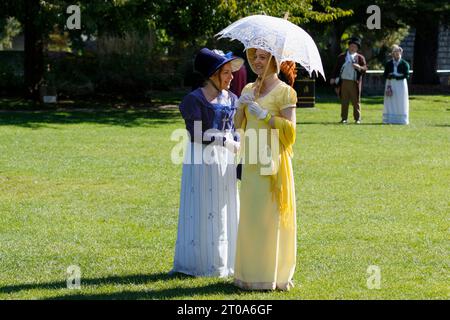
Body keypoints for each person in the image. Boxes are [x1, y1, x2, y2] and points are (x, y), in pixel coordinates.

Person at [170, 48, 244, 277]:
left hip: (225, 160)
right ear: (212, 74)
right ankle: (198, 262)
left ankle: (225, 260)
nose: (231, 77)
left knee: (223, 208)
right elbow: (196, 132)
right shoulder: (194, 99)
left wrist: (237, 141)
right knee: (202, 207)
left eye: (231, 72)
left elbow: (233, 128)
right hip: (201, 160)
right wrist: (223, 139)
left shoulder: (232, 98)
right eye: (226, 72)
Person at [233, 48, 298, 290]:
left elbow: (290, 133)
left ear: (274, 61)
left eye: (263, 57)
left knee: (270, 218)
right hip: (251, 161)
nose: (257, 62)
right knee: (251, 217)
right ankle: (248, 274)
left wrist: (267, 116)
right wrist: (240, 107)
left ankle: (272, 275)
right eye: (254, 58)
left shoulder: (286, 92)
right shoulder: (248, 89)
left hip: (274, 163)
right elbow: (238, 125)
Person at [330, 37, 367, 124]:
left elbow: (365, 68)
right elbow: (336, 69)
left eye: (355, 46)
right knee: (344, 101)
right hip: (344, 82)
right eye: (351, 46)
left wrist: (359, 67)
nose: (353, 48)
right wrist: (332, 78)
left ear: (357, 48)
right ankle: (344, 118)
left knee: (356, 102)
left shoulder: (360, 58)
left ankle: (357, 119)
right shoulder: (342, 57)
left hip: (354, 82)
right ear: (349, 46)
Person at [382, 45, 410, 125]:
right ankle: (390, 119)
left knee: (400, 100)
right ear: (392, 54)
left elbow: (406, 75)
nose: (396, 54)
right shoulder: (389, 63)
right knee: (390, 100)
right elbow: (385, 74)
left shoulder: (405, 64)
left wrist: (397, 76)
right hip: (390, 83)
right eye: (394, 53)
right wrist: (390, 76)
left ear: (401, 53)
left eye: (398, 52)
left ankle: (401, 120)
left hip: (400, 84)